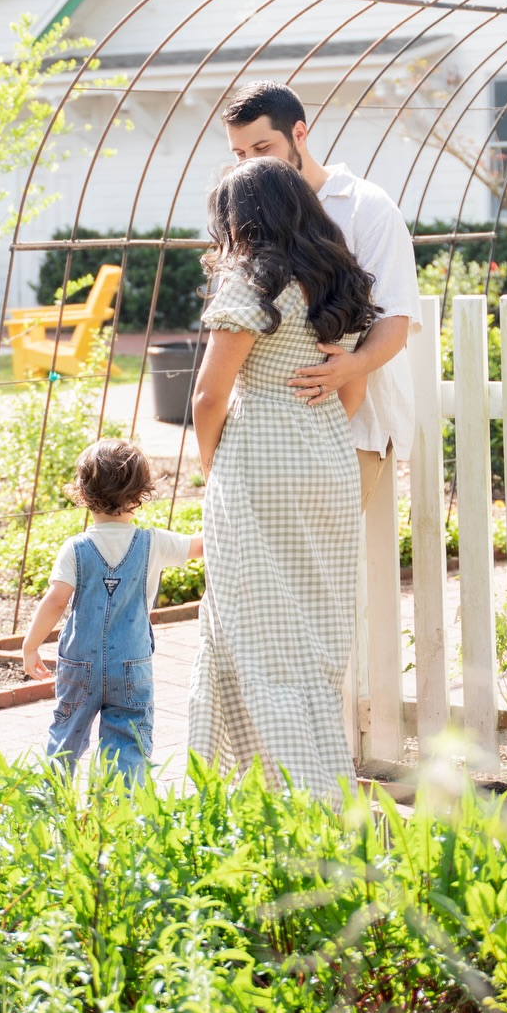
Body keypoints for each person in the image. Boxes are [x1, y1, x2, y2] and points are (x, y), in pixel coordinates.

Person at [188, 156, 378, 795]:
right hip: (326, 455)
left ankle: (288, 790)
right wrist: (314, 424)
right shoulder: (335, 279)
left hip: (260, 455)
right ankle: (295, 780)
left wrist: (215, 470)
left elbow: (210, 397)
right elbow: (348, 386)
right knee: (311, 630)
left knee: (251, 626)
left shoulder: (250, 282)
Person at [222, 82, 420, 510]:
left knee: (327, 568)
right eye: (240, 155)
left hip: (353, 429)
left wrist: (354, 366)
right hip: (268, 438)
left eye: (262, 148)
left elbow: (397, 317)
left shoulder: (366, 207)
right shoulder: (249, 213)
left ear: (299, 134)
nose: (250, 165)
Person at [21, 437, 204, 782]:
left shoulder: (75, 548)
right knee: (127, 741)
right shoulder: (155, 543)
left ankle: (47, 805)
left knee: (66, 736)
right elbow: (200, 545)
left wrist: (31, 645)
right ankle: (116, 812)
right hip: (131, 666)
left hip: (80, 665)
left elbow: (56, 600)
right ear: (140, 495)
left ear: (83, 494)